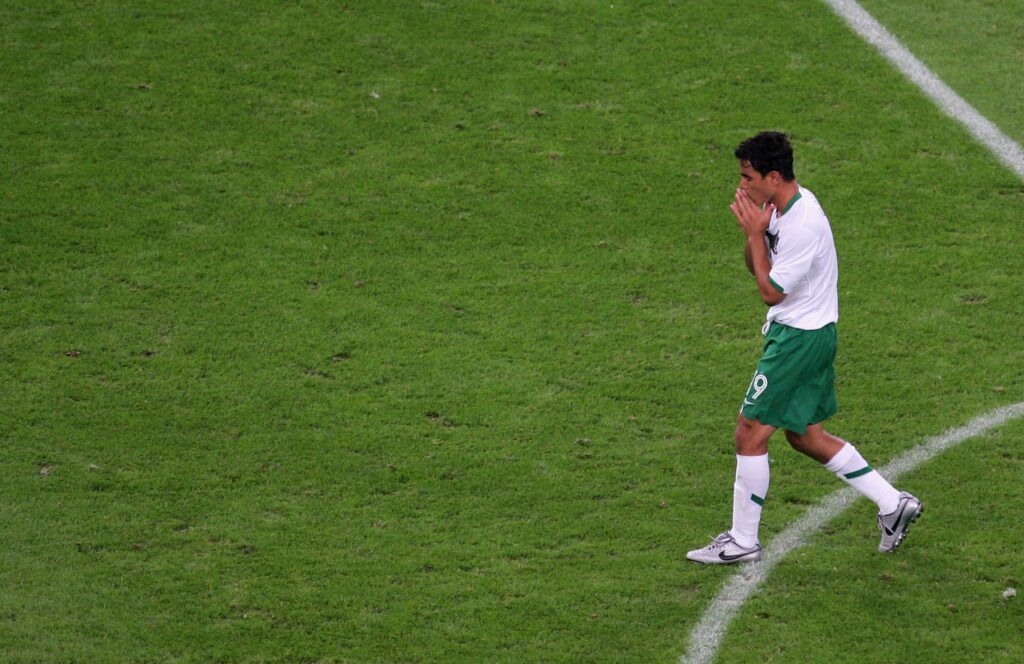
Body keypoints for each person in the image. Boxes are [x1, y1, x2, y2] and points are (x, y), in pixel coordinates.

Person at [686, 131, 922, 564]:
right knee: (806, 436)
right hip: (811, 334)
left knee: (749, 431)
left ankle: (742, 541)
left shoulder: (803, 223)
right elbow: (757, 267)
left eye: (748, 177)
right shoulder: (779, 208)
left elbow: (771, 292)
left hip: (799, 339)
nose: (742, 186)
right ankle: (893, 503)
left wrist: (757, 235)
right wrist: (755, 233)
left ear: (773, 177)